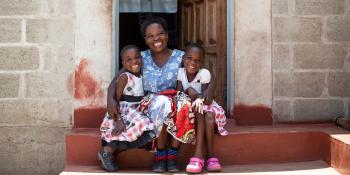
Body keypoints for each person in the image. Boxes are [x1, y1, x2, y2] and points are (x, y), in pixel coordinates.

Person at [106, 16, 215, 173]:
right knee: (163, 104)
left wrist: (209, 90)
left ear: (167, 35)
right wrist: (110, 99)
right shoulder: (141, 57)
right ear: (145, 40)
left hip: (176, 99)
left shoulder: (180, 56)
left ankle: (172, 154)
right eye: (150, 36)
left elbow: (206, 72)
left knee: (182, 104)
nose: (156, 38)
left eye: (160, 33)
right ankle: (160, 153)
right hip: (150, 102)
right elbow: (117, 78)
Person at [98, 45, 155, 172]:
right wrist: (118, 120)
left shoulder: (142, 75)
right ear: (123, 63)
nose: (134, 61)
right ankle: (106, 152)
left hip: (137, 109)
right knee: (128, 131)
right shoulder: (125, 77)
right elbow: (117, 100)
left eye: (136, 57)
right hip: (125, 111)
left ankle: (110, 152)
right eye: (128, 59)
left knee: (135, 132)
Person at [176, 43, 228, 173]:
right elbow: (179, 94)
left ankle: (204, 155)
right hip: (191, 108)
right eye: (189, 58)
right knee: (198, 109)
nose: (193, 62)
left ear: (202, 63)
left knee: (206, 113)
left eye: (197, 60)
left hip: (208, 108)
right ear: (183, 59)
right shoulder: (180, 73)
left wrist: (197, 96)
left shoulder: (204, 73)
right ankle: (204, 156)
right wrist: (189, 89)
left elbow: (207, 100)